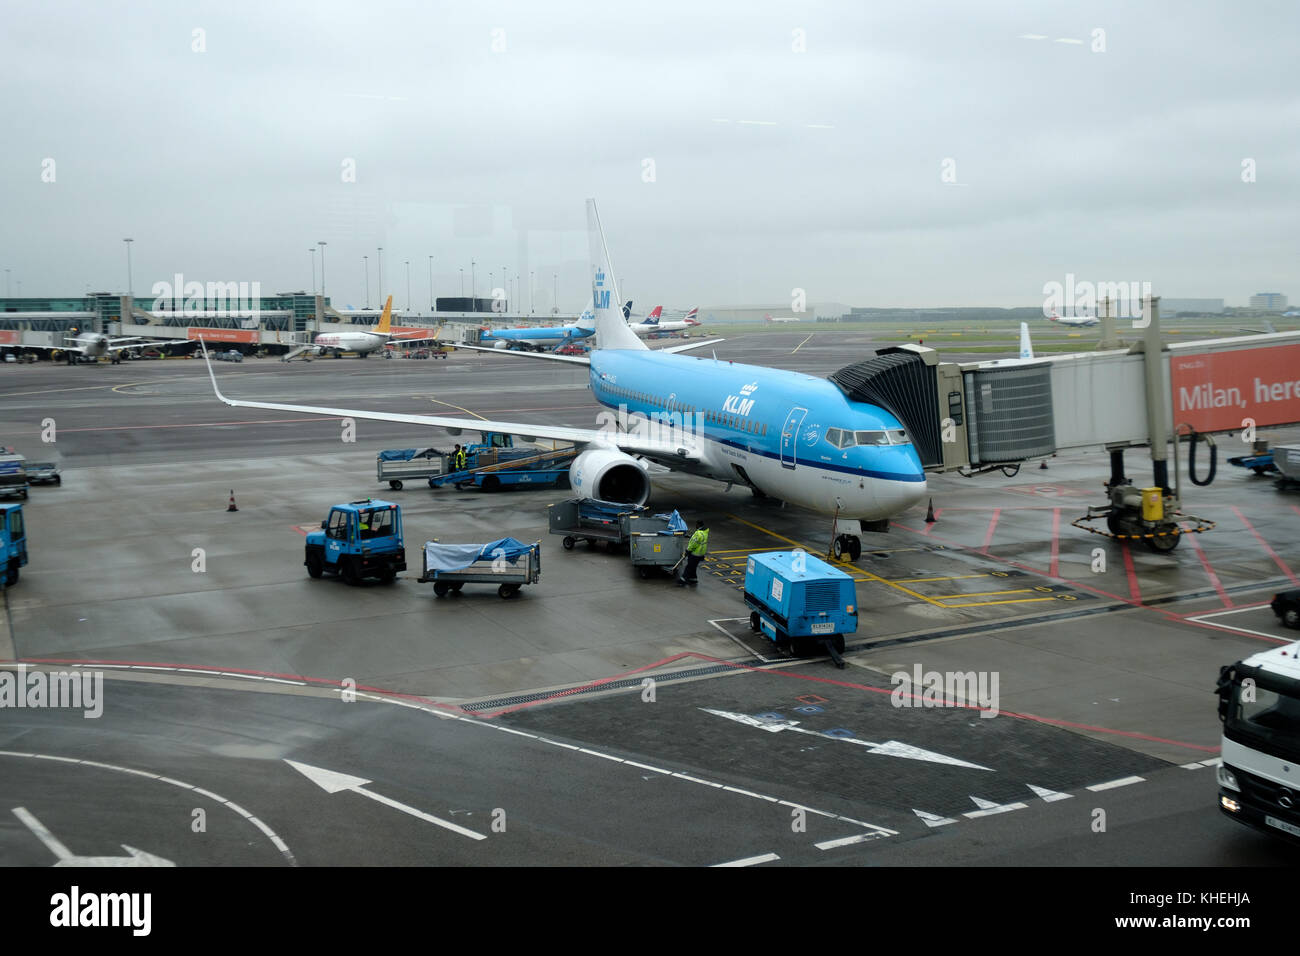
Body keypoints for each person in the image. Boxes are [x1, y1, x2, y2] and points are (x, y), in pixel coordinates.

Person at [677, 520, 709, 587]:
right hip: (701, 553)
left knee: (689, 567)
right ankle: (693, 579)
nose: (695, 526)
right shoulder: (705, 532)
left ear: (698, 525)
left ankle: (683, 580)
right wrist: (692, 536)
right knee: (693, 566)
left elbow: (693, 544)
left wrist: (687, 551)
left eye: (696, 524)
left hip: (695, 553)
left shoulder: (698, 533)